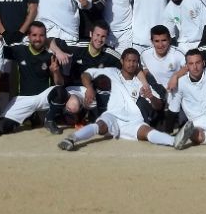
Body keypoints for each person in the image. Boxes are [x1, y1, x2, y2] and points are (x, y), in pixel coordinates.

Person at [57, 49, 188, 151]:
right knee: (100, 125)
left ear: (138, 63)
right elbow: (86, 74)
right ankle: (72, 139)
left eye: (134, 61)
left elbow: (158, 106)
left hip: (134, 120)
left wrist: (151, 97)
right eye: (128, 60)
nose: (131, 64)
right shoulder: (112, 72)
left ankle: (174, 141)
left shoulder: (144, 83)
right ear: (122, 61)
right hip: (113, 115)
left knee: (146, 133)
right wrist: (89, 88)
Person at [0, 21, 68, 135]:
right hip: (24, 99)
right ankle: (30, 116)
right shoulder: (19, 49)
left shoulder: (51, 55)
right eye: (34, 35)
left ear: (45, 36)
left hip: (43, 98)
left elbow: (60, 83)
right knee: (2, 127)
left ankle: (49, 120)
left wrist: (55, 72)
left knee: (61, 91)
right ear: (28, 36)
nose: (38, 39)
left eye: (41, 35)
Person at [50, 21, 121, 124]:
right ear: (91, 34)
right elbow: (51, 41)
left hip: (94, 93)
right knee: (73, 105)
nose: (99, 39)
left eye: (103, 36)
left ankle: (89, 114)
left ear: (106, 38)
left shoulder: (109, 54)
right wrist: (59, 52)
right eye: (97, 35)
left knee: (103, 116)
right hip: (75, 89)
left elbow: (128, 63)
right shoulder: (78, 46)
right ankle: (76, 114)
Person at [140, 25, 186, 132]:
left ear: (169, 39)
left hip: (174, 94)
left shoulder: (177, 53)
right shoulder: (145, 54)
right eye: (157, 41)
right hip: (156, 95)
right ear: (151, 41)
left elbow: (188, 67)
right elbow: (143, 71)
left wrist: (175, 76)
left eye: (164, 40)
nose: (160, 45)